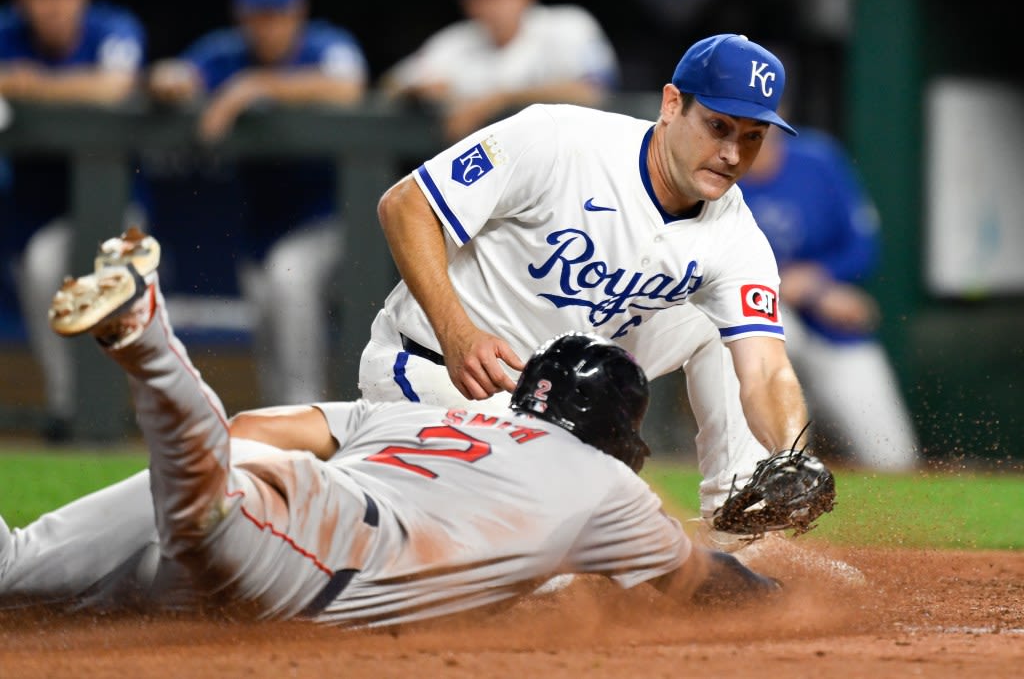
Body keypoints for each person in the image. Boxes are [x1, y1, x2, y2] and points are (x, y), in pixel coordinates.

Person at [0, 229, 780, 624]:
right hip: (315, 548)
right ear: (615, 434)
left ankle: (190, 481)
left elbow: (258, 426)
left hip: (266, 489)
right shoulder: (608, 486)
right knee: (207, 526)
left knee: (22, 569)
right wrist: (787, 591)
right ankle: (147, 336)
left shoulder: (424, 419)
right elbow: (703, 582)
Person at [359, 33, 815, 544]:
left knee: (724, 323)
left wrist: (789, 457)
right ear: (671, 105)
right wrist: (456, 331)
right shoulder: (559, 139)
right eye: (717, 126)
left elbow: (766, 369)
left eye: (752, 136)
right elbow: (405, 204)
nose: (731, 153)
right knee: (544, 562)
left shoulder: (736, 236)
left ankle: (738, 526)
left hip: (556, 404)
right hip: (437, 371)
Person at [145, 0, 367, 405]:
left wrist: (253, 86)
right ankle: (282, 417)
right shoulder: (225, 52)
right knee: (267, 312)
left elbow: (348, 86)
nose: (268, 26)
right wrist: (168, 79)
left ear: (298, 13)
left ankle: (306, 411)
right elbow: (176, 75)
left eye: (277, 15)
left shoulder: (325, 46)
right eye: (259, 15)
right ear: (242, 16)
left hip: (331, 216)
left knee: (290, 279)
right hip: (263, 222)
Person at [737, 119, 920, 472]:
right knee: (766, 330)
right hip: (762, 320)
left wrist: (817, 282)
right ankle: (781, 464)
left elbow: (862, 247)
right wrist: (784, 284)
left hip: (830, 325)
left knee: (893, 458)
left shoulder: (817, 160)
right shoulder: (716, 171)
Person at [0, 0, 145, 441]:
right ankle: (69, 408)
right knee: (43, 263)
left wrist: (32, 85)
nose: (51, 7)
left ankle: (149, 410)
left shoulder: (112, 25)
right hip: (39, 210)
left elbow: (114, 86)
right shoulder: (8, 32)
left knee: (134, 301)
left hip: (116, 206)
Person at [380, 0, 618, 141]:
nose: (487, 6)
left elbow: (592, 91)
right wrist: (419, 91)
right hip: (488, 179)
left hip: (564, 169)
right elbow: (390, 85)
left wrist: (498, 99)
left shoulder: (567, 25)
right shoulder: (455, 41)